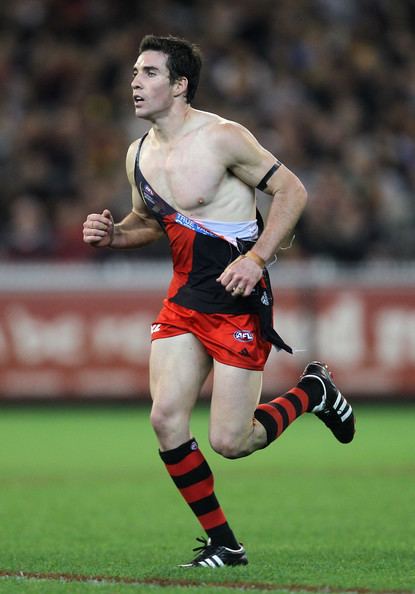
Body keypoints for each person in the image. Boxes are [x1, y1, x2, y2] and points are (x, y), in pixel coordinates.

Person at [83, 35, 355, 568]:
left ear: (180, 85)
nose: (135, 82)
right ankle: (225, 545)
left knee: (233, 440)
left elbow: (292, 191)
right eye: (134, 72)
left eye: (149, 73)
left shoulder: (223, 137)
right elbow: (149, 221)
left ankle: (312, 391)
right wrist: (115, 235)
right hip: (184, 297)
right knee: (165, 419)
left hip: (236, 297)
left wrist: (255, 259)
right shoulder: (138, 153)